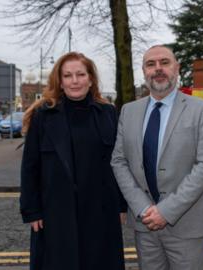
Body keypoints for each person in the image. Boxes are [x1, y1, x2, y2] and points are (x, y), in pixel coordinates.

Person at [111, 45, 203, 270]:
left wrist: (166, 211)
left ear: (176, 68)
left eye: (164, 62)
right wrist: (143, 208)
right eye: (151, 64)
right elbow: (119, 161)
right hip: (145, 225)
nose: (158, 69)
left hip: (186, 226)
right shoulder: (128, 111)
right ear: (144, 71)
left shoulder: (202, 109)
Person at [20, 52, 126, 270]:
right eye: (68, 76)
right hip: (56, 212)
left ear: (90, 79)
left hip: (100, 210)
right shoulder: (43, 115)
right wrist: (32, 210)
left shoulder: (108, 113)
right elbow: (30, 166)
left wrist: (121, 205)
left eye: (80, 74)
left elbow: (119, 163)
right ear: (60, 81)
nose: (75, 81)